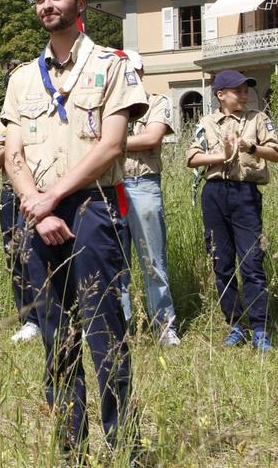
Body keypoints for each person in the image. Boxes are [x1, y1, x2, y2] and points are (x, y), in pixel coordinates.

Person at [2, 0, 148, 455]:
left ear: (80, 4)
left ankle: (123, 444)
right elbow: (11, 153)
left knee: (106, 331)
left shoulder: (112, 65)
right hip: (39, 217)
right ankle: (71, 448)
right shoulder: (23, 77)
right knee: (56, 336)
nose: (47, 4)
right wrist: (39, 209)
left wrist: (53, 197)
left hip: (93, 208)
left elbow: (111, 147)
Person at [186, 70, 278, 352]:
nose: (244, 95)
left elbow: (276, 154)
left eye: (245, 90)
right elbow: (191, 158)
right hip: (214, 194)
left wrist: (251, 146)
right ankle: (235, 325)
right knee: (221, 262)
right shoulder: (206, 123)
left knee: (252, 261)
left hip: (245, 193)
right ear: (220, 95)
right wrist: (221, 155)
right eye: (237, 91)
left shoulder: (258, 119)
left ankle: (260, 329)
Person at [121, 59, 180, 346]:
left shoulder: (157, 102)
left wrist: (110, 141)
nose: (128, 75)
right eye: (122, 71)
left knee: (153, 261)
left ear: (141, 72)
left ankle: (164, 326)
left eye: (132, 70)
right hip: (111, 186)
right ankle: (119, 326)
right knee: (114, 262)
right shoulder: (107, 106)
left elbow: (153, 137)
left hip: (143, 183)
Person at [0, 117, 40, 342]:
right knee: (15, 257)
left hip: (40, 191)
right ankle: (29, 320)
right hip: (11, 195)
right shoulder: (3, 125)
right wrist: (12, 145)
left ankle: (57, 314)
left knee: (38, 256)